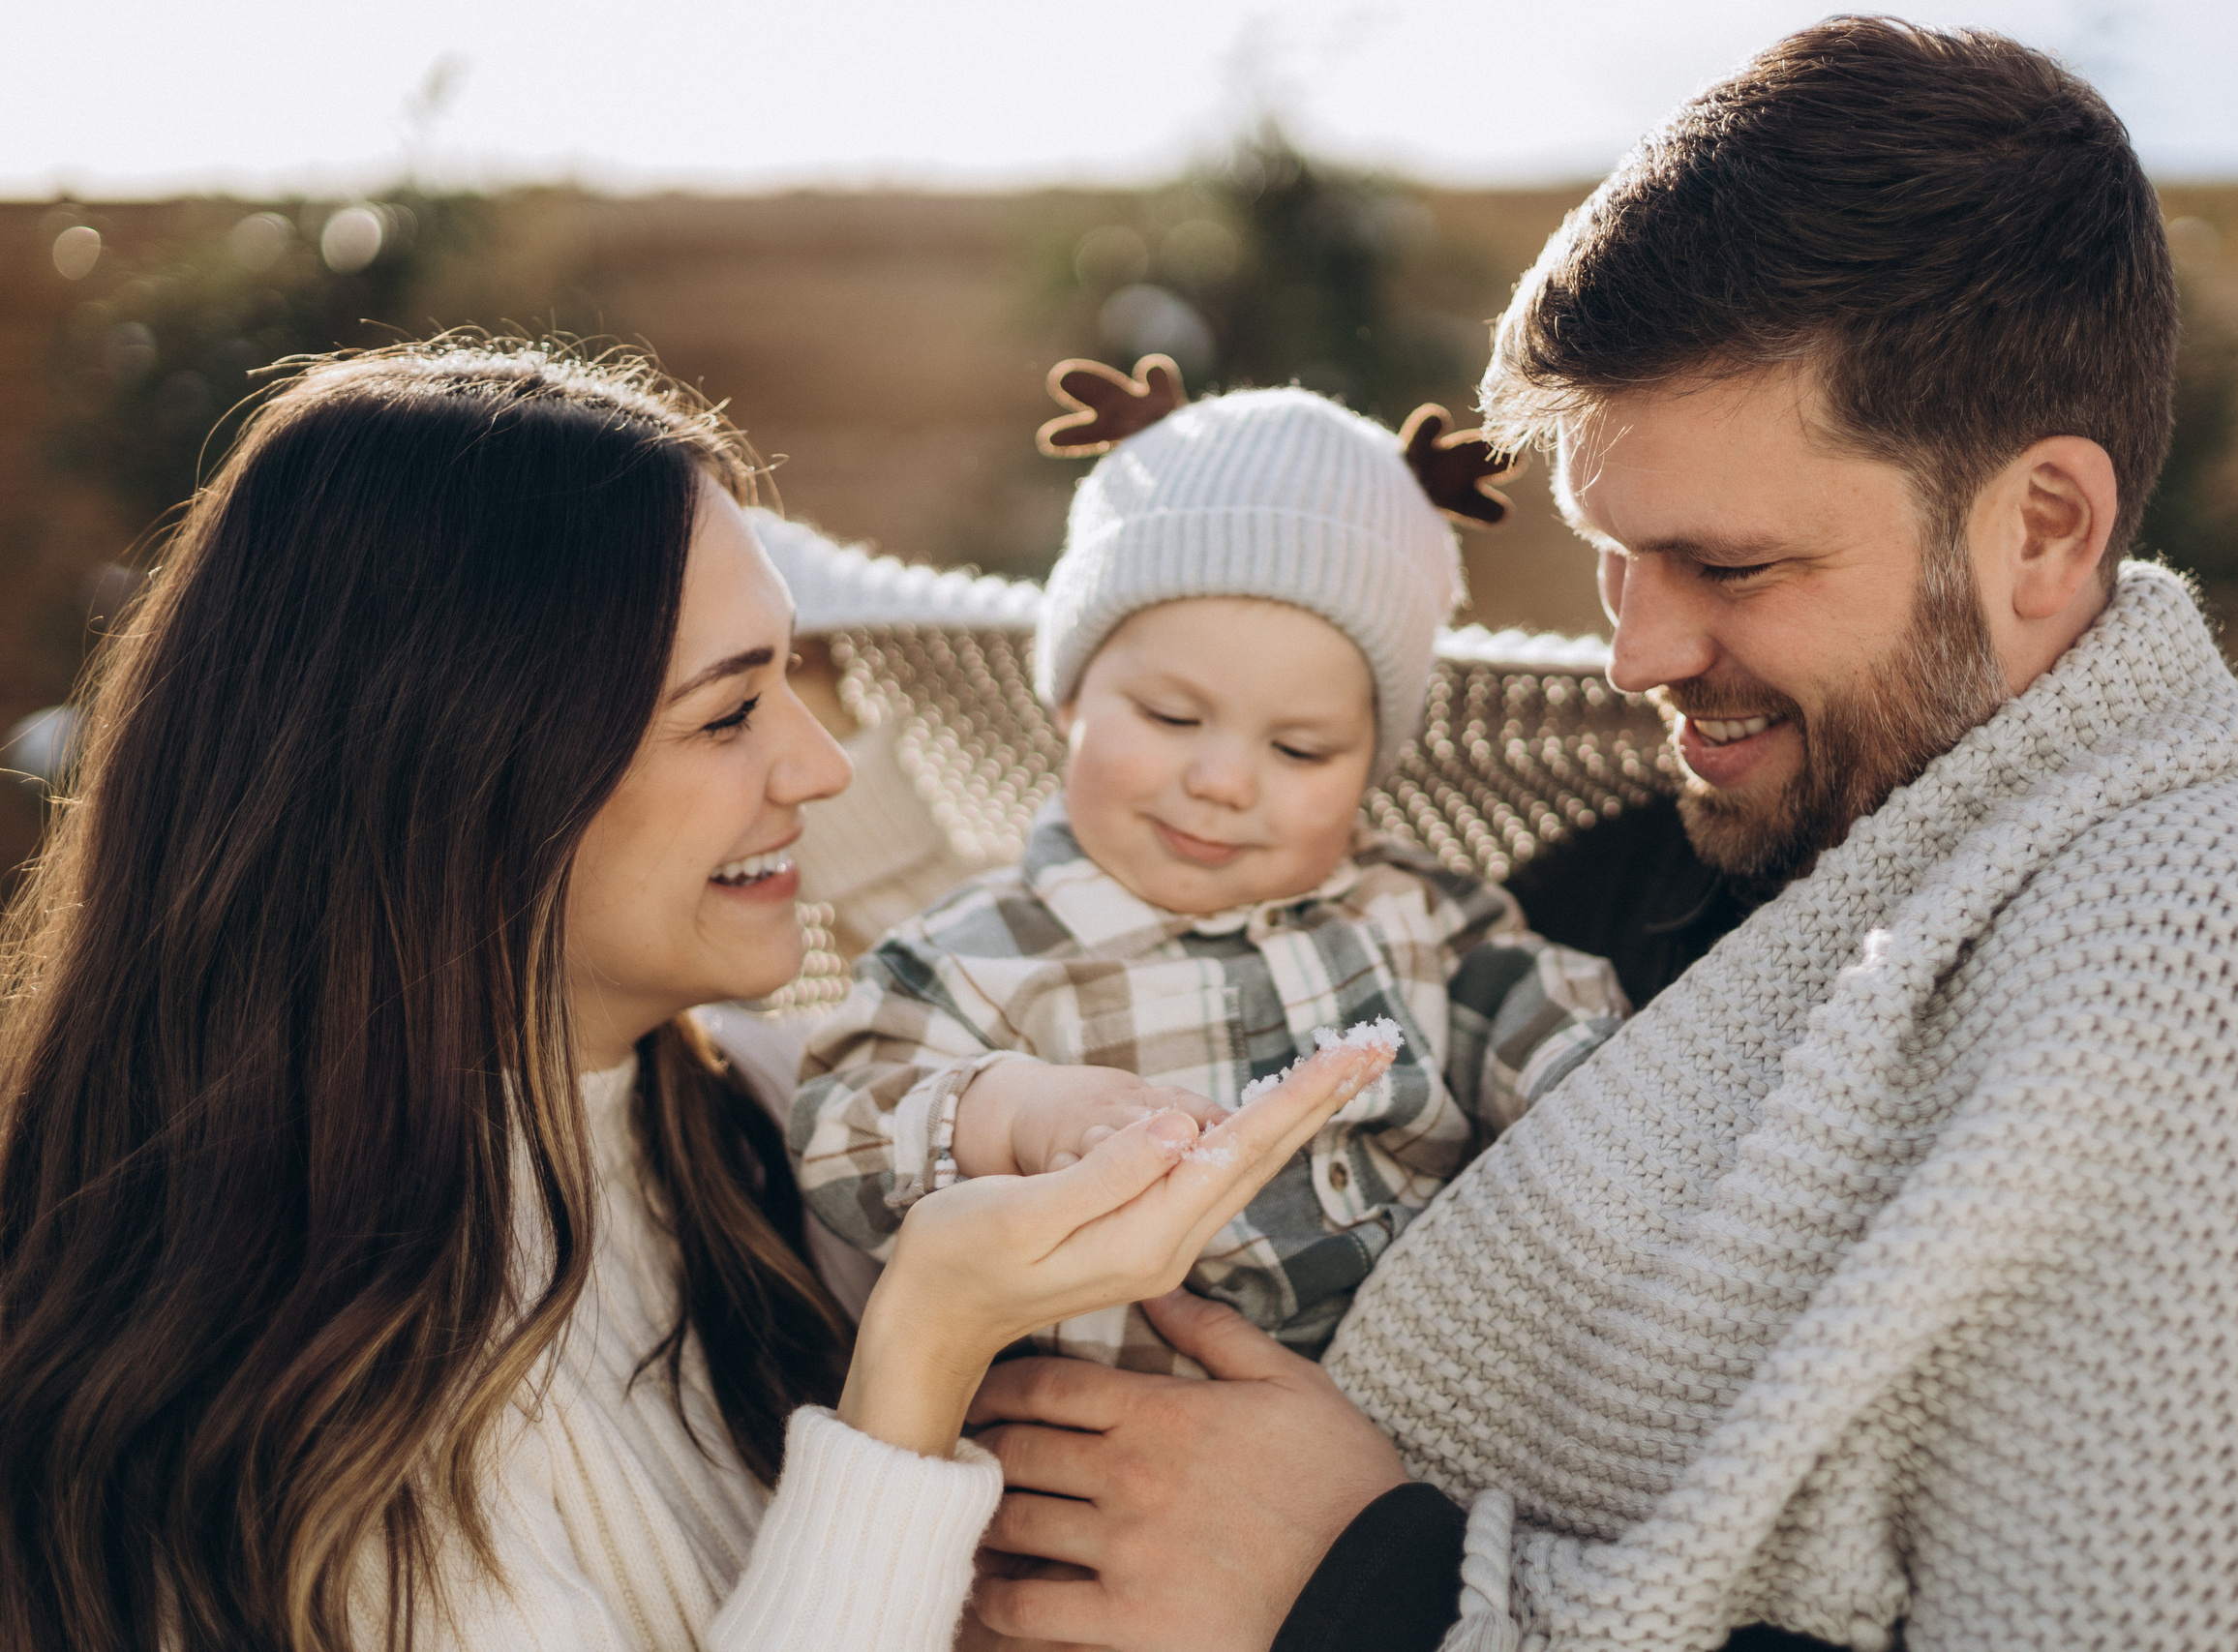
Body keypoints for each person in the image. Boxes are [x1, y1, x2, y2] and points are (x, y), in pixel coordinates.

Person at [960, 21, 2238, 1651]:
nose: (1638, 654)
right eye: (1615, 557)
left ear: (2042, 528)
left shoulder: (2236, 970)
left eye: (1730, 568)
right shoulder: (1612, 882)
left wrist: (1367, 1588)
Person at [0, 340, 1392, 1652]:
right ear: (465, 769)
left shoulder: (768, 1114)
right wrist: (924, 1342)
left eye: (793, 679)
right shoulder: (278, 1428)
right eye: (729, 712)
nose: (817, 766)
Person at [791, 383, 1626, 1374]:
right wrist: (1012, 1114)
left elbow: (1569, 1040)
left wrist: (1605, 1123)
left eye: (1303, 749)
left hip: (1407, 1425)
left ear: (1371, 769)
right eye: (1172, 719)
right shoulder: (975, 953)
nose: (1223, 781)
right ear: (1069, 700)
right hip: (1102, 1442)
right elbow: (841, 1129)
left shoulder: (1419, 918)